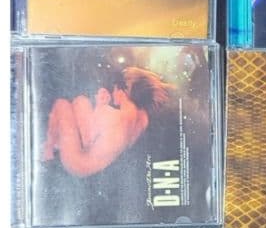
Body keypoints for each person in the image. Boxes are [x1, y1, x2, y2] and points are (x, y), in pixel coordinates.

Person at [41, 67, 174, 178]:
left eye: (114, 89)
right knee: (81, 102)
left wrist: (100, 105)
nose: (113, 93)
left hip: (78, 163)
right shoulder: (142, 120)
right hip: (97, 165)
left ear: (122, 91)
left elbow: (89, 139)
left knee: (62, 104)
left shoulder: (113, 116)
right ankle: (58, 143)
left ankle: (48, 150)